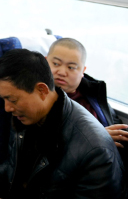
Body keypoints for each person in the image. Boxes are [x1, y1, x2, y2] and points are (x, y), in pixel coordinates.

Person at [0, 49, 126, 199]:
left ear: (42, 90)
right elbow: (19, 163)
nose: (7, 108)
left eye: (12, 100)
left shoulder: (95, 150)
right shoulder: (27, 115)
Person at [46, 38, 128, 167]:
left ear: (82, 71)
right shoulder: (37, 100)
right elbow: (42, 146)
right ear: (45, 62)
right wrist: (97, 137)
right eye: (56, 64)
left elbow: (115, 125)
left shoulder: (93, 94)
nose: (62, 72)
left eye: (71, 67)